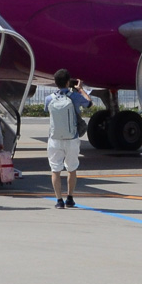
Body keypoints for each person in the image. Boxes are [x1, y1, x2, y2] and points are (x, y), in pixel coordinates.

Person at [45, 68, 90, 207]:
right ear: (67, 82)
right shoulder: (74, 97)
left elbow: (47, 110)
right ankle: (70, 198)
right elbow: (89, 103)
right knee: (71, 169)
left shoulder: (49, 99)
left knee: (55, 170)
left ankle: (59, 200)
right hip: (72, 138)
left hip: (55, 139)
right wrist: (80, 89)